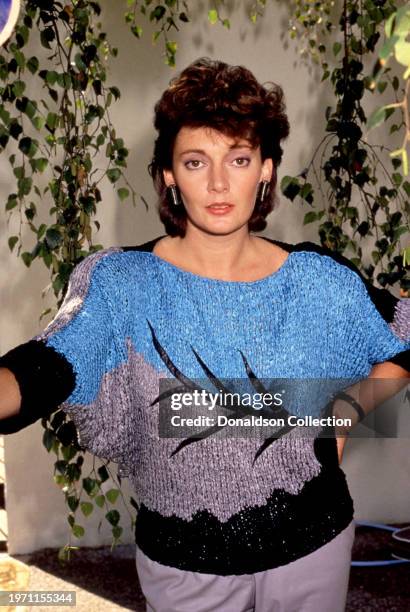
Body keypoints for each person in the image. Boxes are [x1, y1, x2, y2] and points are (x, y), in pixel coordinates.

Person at [0, 57, 409, 612]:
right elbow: (44, 367)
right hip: (185, 567)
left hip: (315, 544)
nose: (219, 183)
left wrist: (344, 412)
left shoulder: (316, 281)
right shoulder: (121, 286)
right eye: (196, 162)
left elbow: (400, 332)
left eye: (238, 159)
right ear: (169, 174)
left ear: (265, 169)